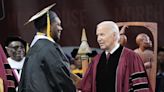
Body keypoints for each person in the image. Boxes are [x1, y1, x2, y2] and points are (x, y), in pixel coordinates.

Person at [78, 21, 152, 92]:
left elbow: (140, 88)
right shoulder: (96, 61)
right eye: (97, 35)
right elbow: (87, 87)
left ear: (114, 35)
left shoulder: (131, 57)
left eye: (102, 34)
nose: (99, 39)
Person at [18, 4, 76, 92]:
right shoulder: (49, 48)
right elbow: (60, 78)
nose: (61, 28)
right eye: (58, 24)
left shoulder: (33, 49)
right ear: (49, 26)